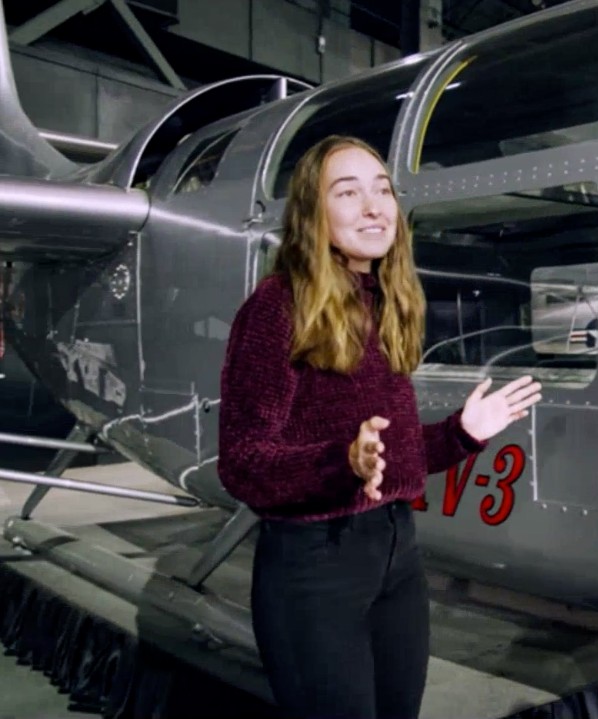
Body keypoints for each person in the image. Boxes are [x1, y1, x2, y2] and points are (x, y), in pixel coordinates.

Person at [217, 134, 541, 719]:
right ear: (313, 215)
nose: (374, 207)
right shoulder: (275, 308)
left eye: (382, 190)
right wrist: (341, 462)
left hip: (396, 554)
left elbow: (389, 460)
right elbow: (242, 463)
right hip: (314, 569)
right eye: (348, 192)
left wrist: (462, 433)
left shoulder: (384, 302)